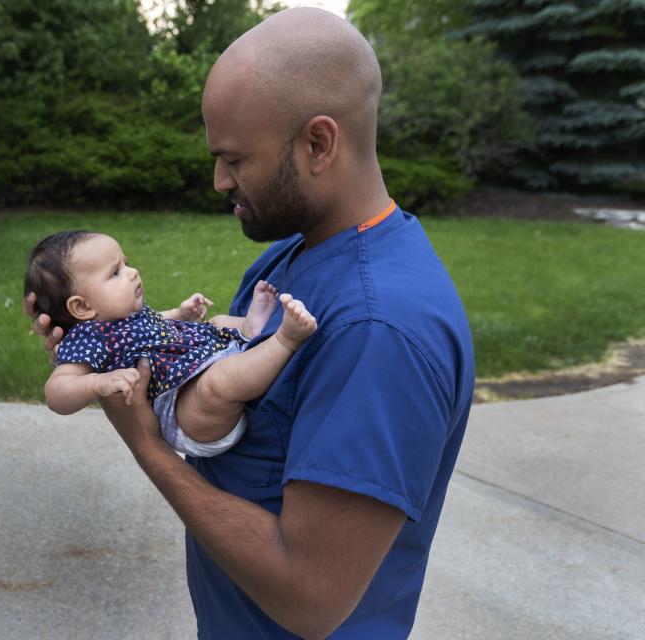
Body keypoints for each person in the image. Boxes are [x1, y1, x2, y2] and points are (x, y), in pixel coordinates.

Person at [24, 7, 475, 639]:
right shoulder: (295, 251)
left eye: (234, 158)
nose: (218, 180)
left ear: (318, 144)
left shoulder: (381, 329)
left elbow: (309, 600)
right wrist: (97, 346)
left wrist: (146, 444)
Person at [24, 229, 318, 457]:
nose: (132, 272)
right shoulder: (88, 339)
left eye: (127, 263)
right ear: (82, 307)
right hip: (182, 412)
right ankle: (285, 340)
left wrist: (181, 313)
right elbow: (56, 392)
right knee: (219, 383)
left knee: (217, 322)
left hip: (192, 365)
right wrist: (97, 383)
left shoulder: (125, 315)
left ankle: (250, 329)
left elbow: (154, 323)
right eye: (115, 272)